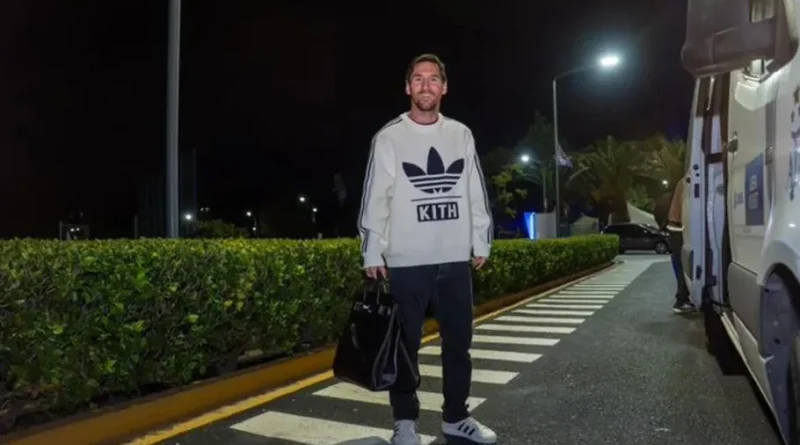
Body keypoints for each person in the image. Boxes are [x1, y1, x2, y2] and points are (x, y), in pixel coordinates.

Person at [357, 53, 496, 445]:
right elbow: (376, 197)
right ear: (408, 87)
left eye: (433, 79)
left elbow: (474, 189)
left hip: (453, 258)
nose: (426, 85)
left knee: (459, 345)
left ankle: (456, 418)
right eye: (418, 79)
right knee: (405, 347)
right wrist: (372, 250)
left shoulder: (460, 134)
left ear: (444, 87)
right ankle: (405, 423)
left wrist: (481, 238)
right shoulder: (389, 137)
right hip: (407, 259)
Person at [653, 180, 694, 313]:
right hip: (679, 229)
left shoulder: (681, 183)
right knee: (682, 266)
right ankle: (681, 300)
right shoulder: (686, 182)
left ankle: (683, 299)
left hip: (674, 229)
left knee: (679, 264)